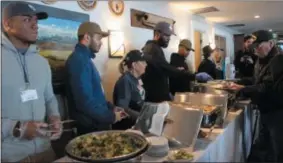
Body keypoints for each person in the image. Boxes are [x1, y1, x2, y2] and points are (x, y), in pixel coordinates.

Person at [1, 1, 61, 162]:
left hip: (45, 151)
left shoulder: (42, 62)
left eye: (36, 20)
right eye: (27, 20)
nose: (35, 26)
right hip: (10, 157)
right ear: (7, 24)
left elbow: (49, 98)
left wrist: (55, 116)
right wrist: (17, 128)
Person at [65, 22, 127, 135]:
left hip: (96, 123)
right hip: (90, 127)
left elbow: (96, 95)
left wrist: (111, 107)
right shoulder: (79, 61)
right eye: (98, 38)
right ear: (87, 37)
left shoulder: (85, 59)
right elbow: (85, 102)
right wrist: (111, 117)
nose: (101, 43)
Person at [230, 30, 280, 162]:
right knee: (265, 145)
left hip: (277, 111)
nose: (256, 49)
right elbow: (255, 80)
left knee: (276, 148)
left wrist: (244, 89)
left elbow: (266, 87)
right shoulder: (260, 59)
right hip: (265, 109)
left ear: (271, 43)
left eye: (259, 45)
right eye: (254, 46)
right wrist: (238, 82)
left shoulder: (278, 61)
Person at [141, 21, 212, 103]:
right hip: (155, 100)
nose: (169, 38)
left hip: (159, 97)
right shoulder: (152, 49)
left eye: (169, 36)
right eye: (167, 35)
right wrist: (194, 76)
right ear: (157, 34)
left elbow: (162, 70)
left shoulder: (154, 48)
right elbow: (165, 69)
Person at [112, 50, 147, 130]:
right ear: (134, 65)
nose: (146, 64)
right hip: (127, 128)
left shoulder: (136, 79)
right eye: (143, 62)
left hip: (136, 124)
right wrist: (142, 117)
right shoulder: (125, 81)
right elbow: (123, 108)